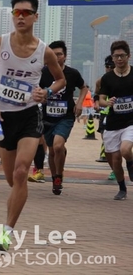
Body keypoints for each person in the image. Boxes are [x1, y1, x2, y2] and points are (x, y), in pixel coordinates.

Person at [0, 0, 65, 251]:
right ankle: (12, 213)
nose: (20, 17)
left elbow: (60, 80)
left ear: (35, 17)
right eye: (16, 12)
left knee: (21, 172)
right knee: (12, 180)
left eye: (26, 13)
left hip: (29, 116)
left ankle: (6, 232)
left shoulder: (44, 51)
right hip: (4, 117)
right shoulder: (0, 43)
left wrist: (46, 92)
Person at [39, 40, 87, 195]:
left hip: (65, 117)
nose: (56, 57)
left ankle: (59, 176)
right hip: (47, 117)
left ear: (65, 56)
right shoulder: (42, 72)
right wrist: (41, 97)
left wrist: (79, 103)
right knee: (52, 150)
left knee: (58, 146)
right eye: (53, 54)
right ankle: (54, 177)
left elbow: (84, 87)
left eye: (59, 54)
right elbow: (36, 89)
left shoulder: (72, 73)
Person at [98, 40, 133, 200]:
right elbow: (101, 100)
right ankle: (122, 188)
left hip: (130, 122)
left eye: (122, 55)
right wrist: (107, 103)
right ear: (112, 58)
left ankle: (131, 164)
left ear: (128, 56)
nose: (119, 59)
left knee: (125, 150)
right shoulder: (107, 78)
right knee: (115, 160)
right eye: (116, 56)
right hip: (113, 123)